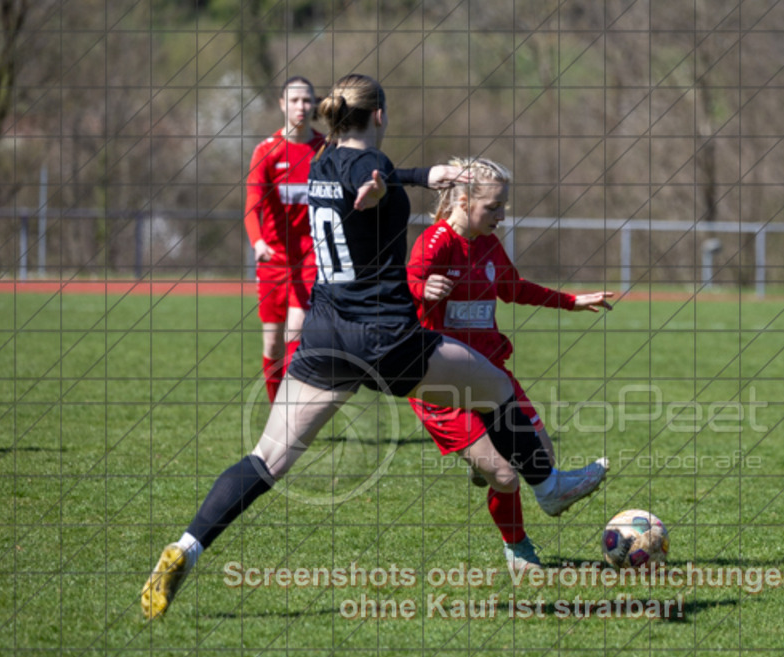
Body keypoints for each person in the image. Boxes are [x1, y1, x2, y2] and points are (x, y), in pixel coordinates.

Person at [141, 74, 609, 618]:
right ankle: (548, 486)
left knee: (266, 459)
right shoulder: (373, 171)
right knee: (495, 384)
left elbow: (376, 176)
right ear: (380, 116)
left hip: (325, 336)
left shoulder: (318, 164)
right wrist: (386, 188)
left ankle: (186, 548)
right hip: (385, 335)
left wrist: (417, 175)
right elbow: (375, 180)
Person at [406, 157, 614, 574]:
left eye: (504, 206)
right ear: (463, 201)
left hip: (492, 374)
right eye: (494, 207)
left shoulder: (487, 245)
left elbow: (514, 288)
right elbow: (400, 290)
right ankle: (518, 550)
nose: (502, 216)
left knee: (544, 457)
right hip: (442, 384)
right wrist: (421, 287)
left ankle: (516, 476)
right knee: (506, 475)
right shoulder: (435, 242)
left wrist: (571, 301)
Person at [245, 76, 326, 402]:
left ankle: (291, 413)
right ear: (282, 104)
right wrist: (258, 242)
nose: (301, 107)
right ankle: (276, 407)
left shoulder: (324, 149)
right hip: (274, 260)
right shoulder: (267, 151)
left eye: (307, 100)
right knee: (272, 344)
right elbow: (252, 207)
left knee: (296, 333)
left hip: (311, 257)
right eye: (294, 100)